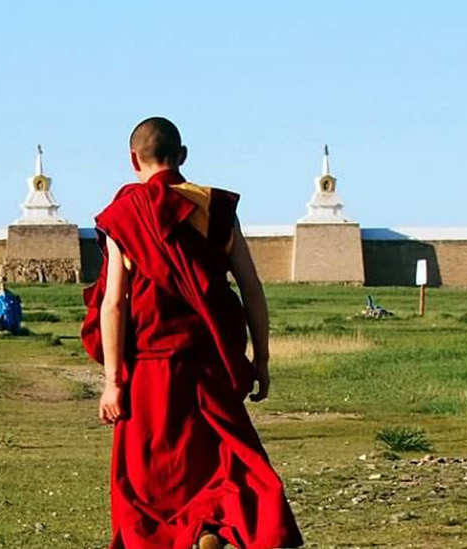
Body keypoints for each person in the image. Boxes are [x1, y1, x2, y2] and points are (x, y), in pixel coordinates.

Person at [81, 117, 303, 549]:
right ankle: (208, 527)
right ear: (182, 157)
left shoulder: (125, 215)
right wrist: (261, 359)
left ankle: (184, 532)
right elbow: (251, 288)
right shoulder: (213, 209)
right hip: (210, 364)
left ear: (133, 160)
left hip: (151, 369)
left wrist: (111, 383)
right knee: (226, 462)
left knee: (148, 481)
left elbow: (114, 304)